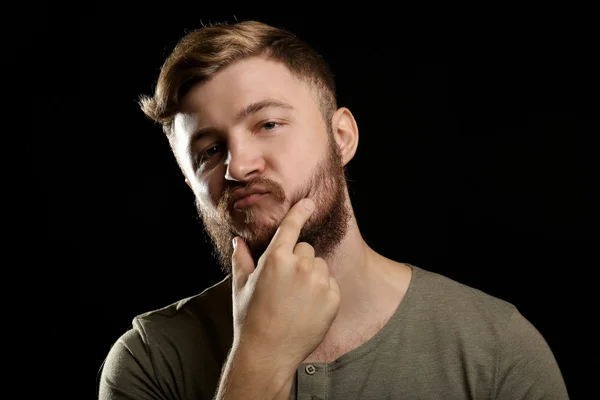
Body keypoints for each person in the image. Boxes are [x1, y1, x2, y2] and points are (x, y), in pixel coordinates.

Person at [98, 20, 569, 399]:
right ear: (190, 183)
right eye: (209, 151)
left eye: (268, 123)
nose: (238, 165)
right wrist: (259, 360)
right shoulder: (149, 361)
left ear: (341, 137)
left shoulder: (495, 346)